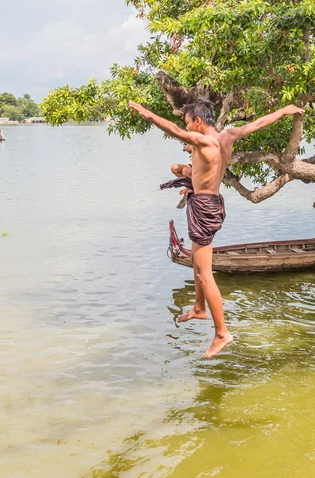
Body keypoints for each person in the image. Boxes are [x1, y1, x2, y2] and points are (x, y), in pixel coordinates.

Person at [129, 98, 304, 358]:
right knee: (197, 265)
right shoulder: (227, 136)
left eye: (188, 123)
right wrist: (285, 110)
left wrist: (146, 113)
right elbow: (258, 123)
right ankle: (200, 308)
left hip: (204, 208)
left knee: (204, 273)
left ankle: (222, 333)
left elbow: (171, 130)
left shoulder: (203, 141)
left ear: (198, 122)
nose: (186, 128)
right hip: (211, 202)